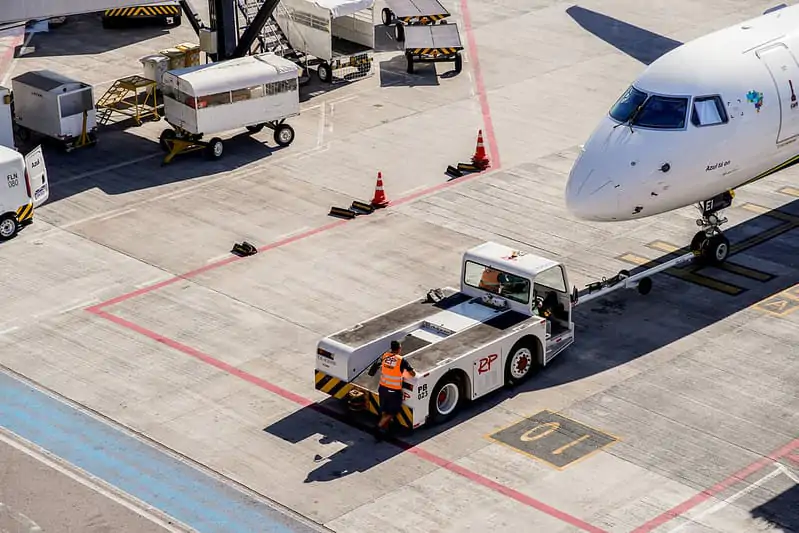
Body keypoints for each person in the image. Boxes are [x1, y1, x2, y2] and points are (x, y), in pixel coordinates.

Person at [368, 340, 415, 440]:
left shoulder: (385, 355)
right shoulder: (401, 360)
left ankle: (385, 428)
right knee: (393, 411)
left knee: (385, 410)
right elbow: (412, 374)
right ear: (399, 349)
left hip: (383, 387)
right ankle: (378, 426)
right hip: (394, 390)